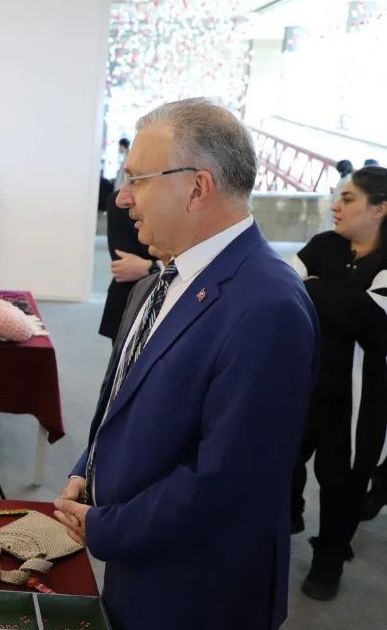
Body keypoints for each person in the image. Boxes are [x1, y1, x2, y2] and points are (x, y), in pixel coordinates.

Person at [53, 98, 319, 630]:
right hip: (143, 561)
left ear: (198, 187)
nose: (123, 199)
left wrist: (108, 528)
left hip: (199, 591)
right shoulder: (159, 281)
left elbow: (227, 482)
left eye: (139, 180)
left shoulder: (267, 306)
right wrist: (90, 472)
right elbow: (128, 401)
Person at [289, 165, 387, 600]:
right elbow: (285, 285)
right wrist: (329, 296)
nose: (336, 206)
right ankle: (284, 518)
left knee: (343, 480)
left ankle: (329, 559)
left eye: (348, 199)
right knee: (280, 458)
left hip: (359, 400)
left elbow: (374, 321)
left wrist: (315, 289)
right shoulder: (325, 245)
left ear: (380, 209)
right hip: (305, 383)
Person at [99, 141, 160, 341]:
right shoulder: (118, 204)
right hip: (126, 303)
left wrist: (152, 267)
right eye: (128, 177)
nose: (121, 198)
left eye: (137, 179)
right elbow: (124, 265)